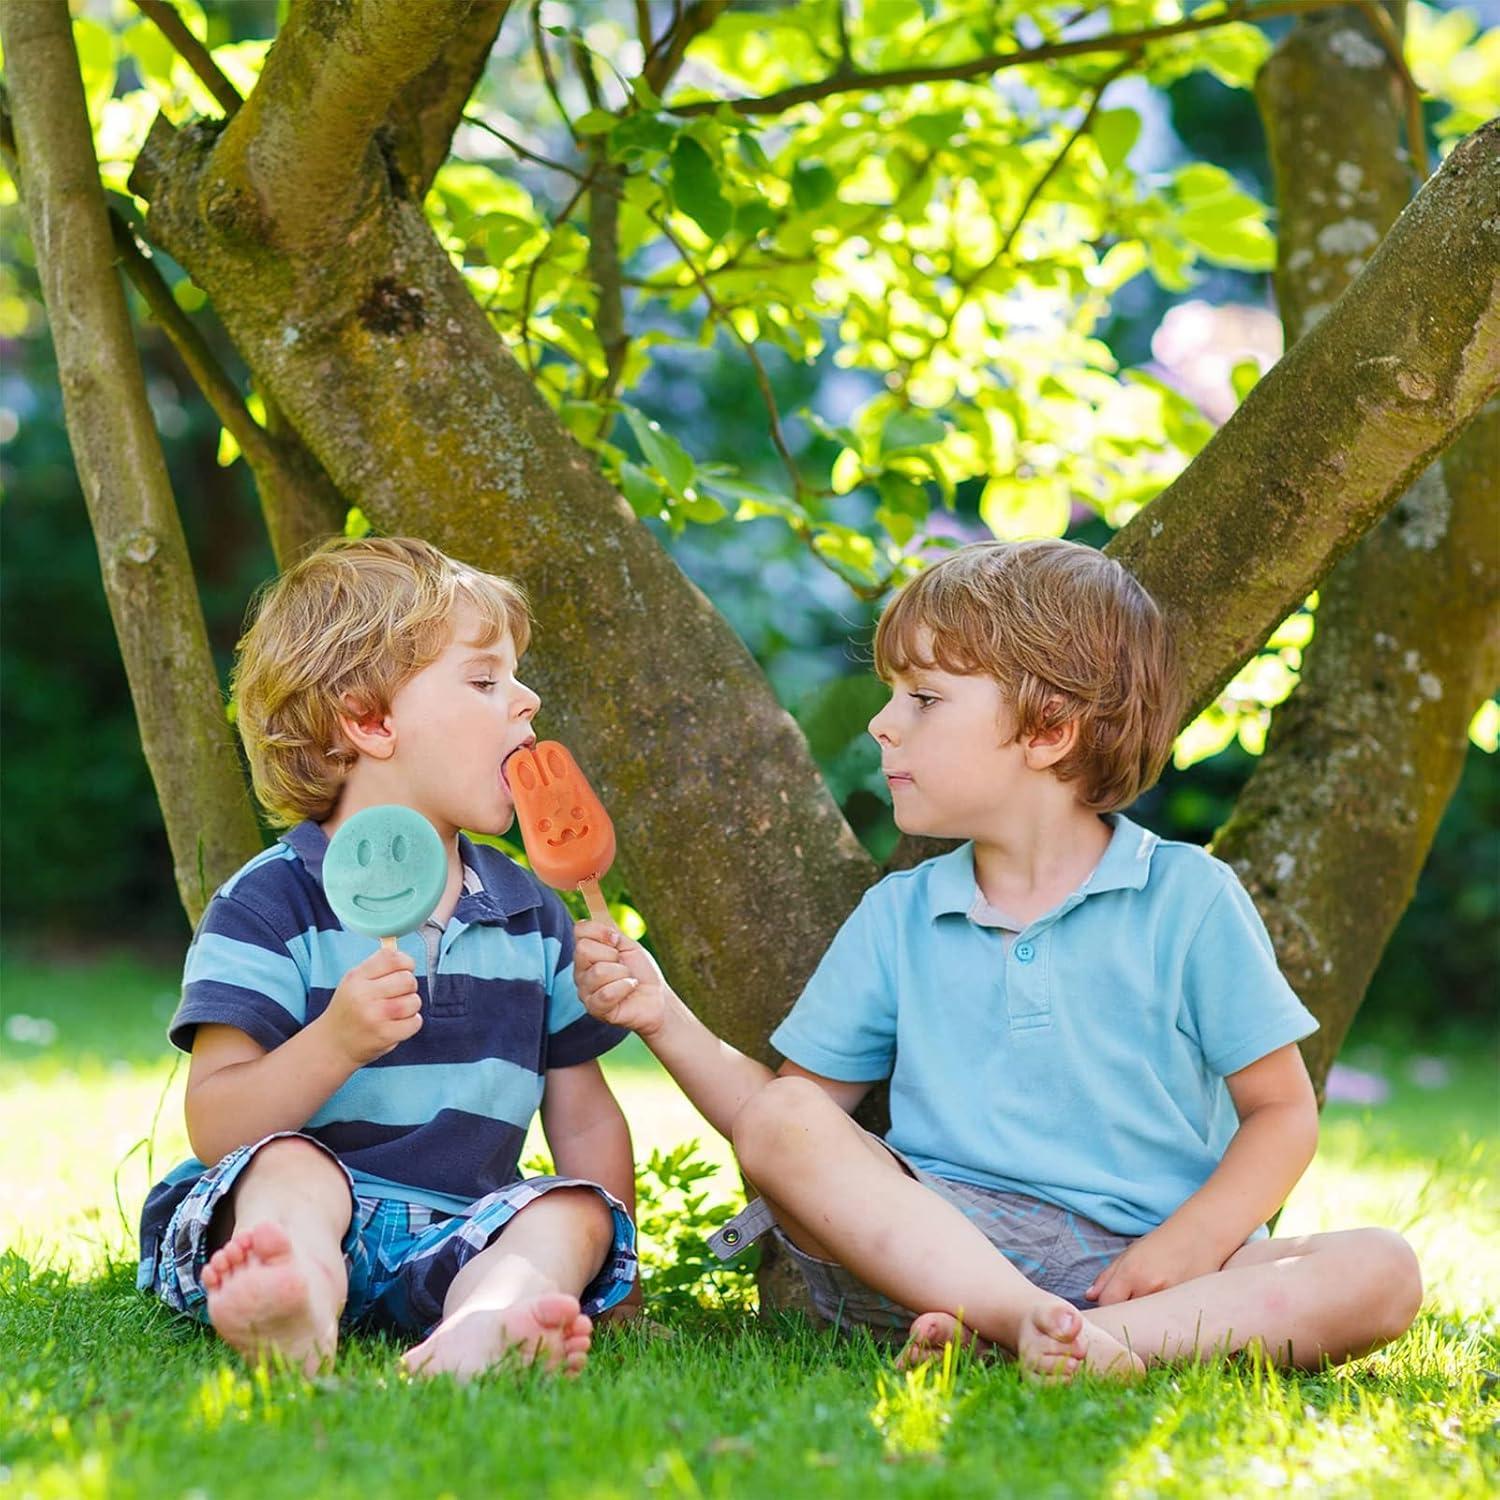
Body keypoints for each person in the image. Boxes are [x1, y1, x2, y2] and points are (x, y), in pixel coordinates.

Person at [574, 539, 1422, 1379]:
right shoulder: (900, 916)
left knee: (1381, 1270)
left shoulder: (1188, 898)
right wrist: (662, 1015)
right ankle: (1025, 1324)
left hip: (1147, 1268)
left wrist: (1185, 1245)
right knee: (783, 1117)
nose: (882, 722)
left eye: (924, 699)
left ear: (1049, 731)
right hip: (930, 1254)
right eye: (891, 696)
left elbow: (1281, 1112)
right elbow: (788, 1124)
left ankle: (1092, 1345)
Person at [138, 537, 637, 1380]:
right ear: (370, 722)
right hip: (291, 1211)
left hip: (460, 1234)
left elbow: (582, 1117)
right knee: (288, 1168)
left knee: (569, 1210)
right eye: (485, 681)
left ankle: (487, 1324)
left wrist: (613, 1279)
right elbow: (217, 1125)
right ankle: (294, 1291)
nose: (527, 700)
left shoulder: (531, 913)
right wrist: (335, 1041)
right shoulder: (272, 901)